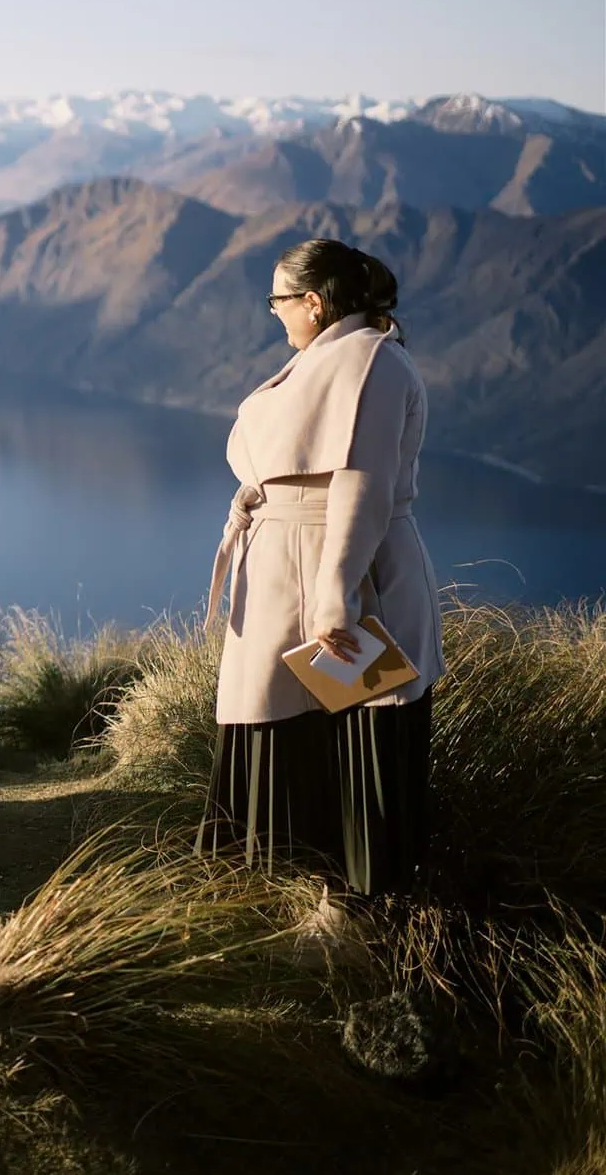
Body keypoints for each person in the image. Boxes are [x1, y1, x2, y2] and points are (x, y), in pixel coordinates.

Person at [199, 238, 444, 895]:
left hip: (344, 575)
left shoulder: (371, 367)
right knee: (278, 724)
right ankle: (280, 891)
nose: (274, 313)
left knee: (355, 730)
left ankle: (353, 904)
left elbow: (362, 484)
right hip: (288, 573)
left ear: (313, 301)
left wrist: (336, 593)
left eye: (279, 300)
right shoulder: (329, 361)